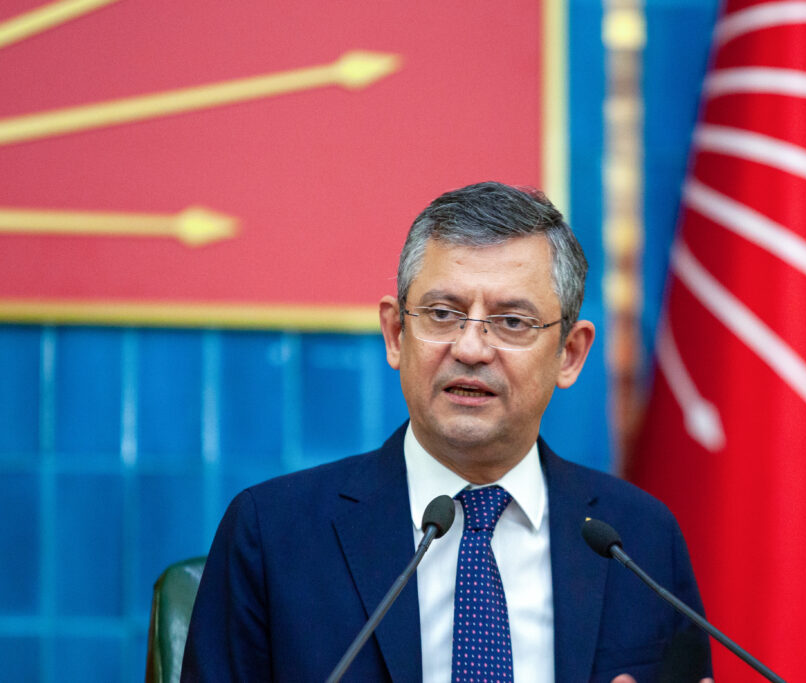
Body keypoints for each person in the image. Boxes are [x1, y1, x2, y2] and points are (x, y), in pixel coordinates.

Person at [181, 182, 712, 682]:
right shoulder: (273, 534)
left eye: (512, 322)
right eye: (442, 313)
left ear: (569, 355)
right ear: (396, 333)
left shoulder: (640, 540)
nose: (471, 349)